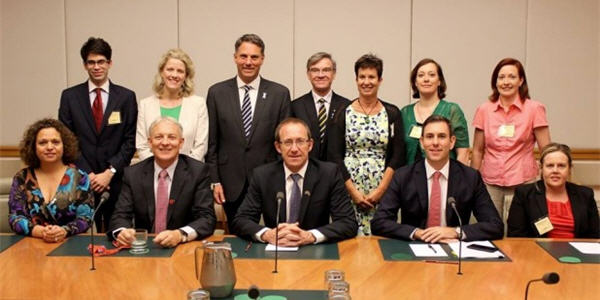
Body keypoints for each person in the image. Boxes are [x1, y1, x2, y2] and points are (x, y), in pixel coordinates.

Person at [371, 115, 503, 242]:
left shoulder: (470, 177)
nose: (435, 143)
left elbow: (495, 225)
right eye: (429, 137)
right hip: (415, 250)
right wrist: (417, 233)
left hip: (454, 249)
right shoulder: (403, 176)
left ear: (452, 142)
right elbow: (379, 222)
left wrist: (455, 232)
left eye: (441, 137)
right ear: (422, 142)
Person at [206, 33, 291, 227]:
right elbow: (212, 142)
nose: (248, 62)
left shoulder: (279, 94)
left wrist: (281, 179)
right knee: (238, 234)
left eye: (254, 57)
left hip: (270, 179)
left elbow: (285, 142)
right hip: (230, 182)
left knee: (274, 236)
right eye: (243, 56)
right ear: (235, 57)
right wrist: (215, 181)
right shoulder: (217, 93)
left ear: (262, 59)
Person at [231, 118, 357, 246]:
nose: (294, 149)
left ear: (310, 145)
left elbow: (348, 223)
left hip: (315, 252)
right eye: (288, 142)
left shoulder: (329, 174)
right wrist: (267, 234)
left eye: (300, 141)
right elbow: (241, 220)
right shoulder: (263, 176)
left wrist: (311, 236)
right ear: (278, 147)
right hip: (276, 250)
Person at [58, 37, 138, 232]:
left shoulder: (126, 97)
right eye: (91, 62)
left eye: (101, 61)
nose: (96, 67)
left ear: (109, 63)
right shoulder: (70, 97)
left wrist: (109, 173)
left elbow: (131, 139)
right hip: (81, 180)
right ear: (85, 65)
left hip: (116, 180)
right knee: (80, 238)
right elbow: (68, 140)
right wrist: (91, 175)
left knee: (116, 233)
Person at [328, 54, 406, 235]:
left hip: (383, 187)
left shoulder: (392, 113)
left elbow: (397, 155)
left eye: (372, 77)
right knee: (348, 237)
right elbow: (334, 155)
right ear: (356, 80)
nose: (366, 82)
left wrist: (381, 190)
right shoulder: (342, 113)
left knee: (382, 236)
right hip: (349, 186)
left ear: (380, 80)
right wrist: (353, 192)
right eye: (362, 77)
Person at [108, 117, 216, 248]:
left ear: (181, 143)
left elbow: (207, 218)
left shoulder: (198, 172)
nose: (165, 143)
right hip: (146, 248)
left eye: (171, 137)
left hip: (183, 247)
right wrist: (122, 232)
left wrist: (180, 234)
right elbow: (120, 215)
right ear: (150, 142)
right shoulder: (133, 174)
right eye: (159, 137)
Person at [471, 58, 551, 224]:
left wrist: (547, 182)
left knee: (520, 230)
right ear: (495, 81)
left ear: (521, 80)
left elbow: (547, 150)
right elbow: (478, 150)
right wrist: (473, 181)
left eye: (511, 77)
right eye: (501, 77)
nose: (506, 82)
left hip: (524, 180)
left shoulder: (534, 108)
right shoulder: (484, 109)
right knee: (489, 228)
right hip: (490, 181)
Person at [8, 119, 94, 242]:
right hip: (31, 245)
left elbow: (85, 218)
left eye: (55, 142)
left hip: (69, 245)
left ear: (64, 145)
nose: (49, 147)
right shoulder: (22, 177)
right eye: (42, 143)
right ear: (33, 147)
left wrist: (64, 231)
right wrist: (40, 231)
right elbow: (15, 217)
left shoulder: (80, 178)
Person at [507, 143, 599, 238]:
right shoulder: (524, 194)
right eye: (550, 166)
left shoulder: (585, 195)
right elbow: (516, 235)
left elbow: (595, 235)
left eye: (561, 166)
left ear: (569, 168)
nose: (555, 170)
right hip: (537, 250)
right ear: (542, 168)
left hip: (576, 251)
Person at [136, 49, 208, 162]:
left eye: (180, 71)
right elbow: (142, 146)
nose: (174, 75)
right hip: (153, 175)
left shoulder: (198, 104)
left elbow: (200, 147)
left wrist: (183, 172)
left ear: (186, 76)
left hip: (189, 175)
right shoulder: (145, 105)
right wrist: (158, 170)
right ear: (162, 72)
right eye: (170, 69)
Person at [401, 58, 469, 165]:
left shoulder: (452, 110)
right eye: (421, 75)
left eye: (431, 75)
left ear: (439, 81)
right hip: (411, 178)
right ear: (415, 82)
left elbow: (463, 153)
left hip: (446, 178)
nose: (426, 79)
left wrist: (456, 179)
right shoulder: (405, 113)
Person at [291, 52, 350, 161]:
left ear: (334, 73)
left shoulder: (347, 106)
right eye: (315, 70)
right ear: (308, 74)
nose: (320, 75)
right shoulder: (295, 106)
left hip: (338, 173)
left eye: (326, 70)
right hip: (306, 171)